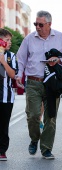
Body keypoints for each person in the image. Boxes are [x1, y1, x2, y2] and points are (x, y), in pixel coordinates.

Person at [16, 10, 62, 159]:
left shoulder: (60, 37)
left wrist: (58, 60)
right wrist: (19, 74)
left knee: (50, 117)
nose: (38, 27)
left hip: (52, 83)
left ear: (49, 24)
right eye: (36, 24)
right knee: (33, 115)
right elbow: (21, 58)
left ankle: (46, 148)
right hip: (33, 82)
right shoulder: (29, 39)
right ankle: (34, 139)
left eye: (41, 24)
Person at [0, 28, 18, 161]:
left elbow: (12, 74)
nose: (10, 42)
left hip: (7, 97)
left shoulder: (11, 56)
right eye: (7, 40)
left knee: (3, 125)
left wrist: (3, 61)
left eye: (10, 40)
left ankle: (2, 151)